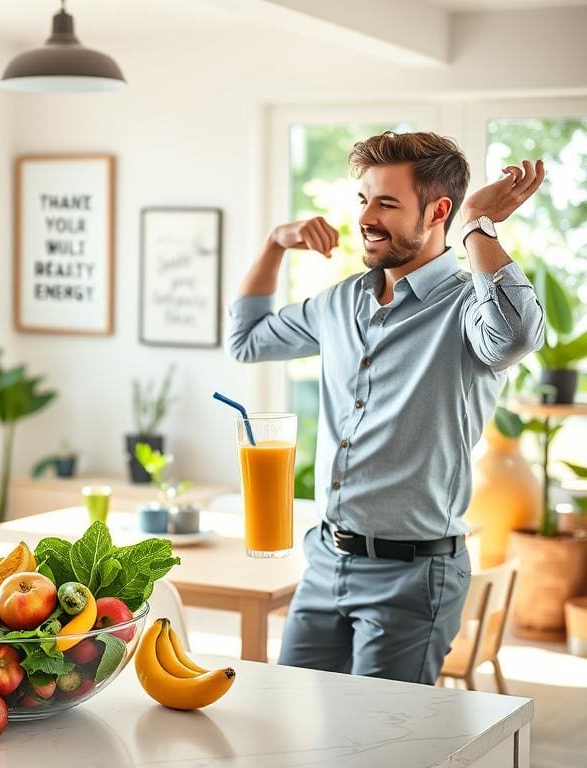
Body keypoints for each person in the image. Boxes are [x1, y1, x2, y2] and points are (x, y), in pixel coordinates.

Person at [227, 131, 545, 684]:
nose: (366, 218)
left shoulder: (470, 308)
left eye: (387, 203)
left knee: (381, 746)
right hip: (325, 561)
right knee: (292, 719)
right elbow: (247, 339)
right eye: (363, 200)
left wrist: (477, 225)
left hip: (414, 574)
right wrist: (276, 243)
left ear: (438, 210)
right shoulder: (340, 301)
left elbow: (516, 334)